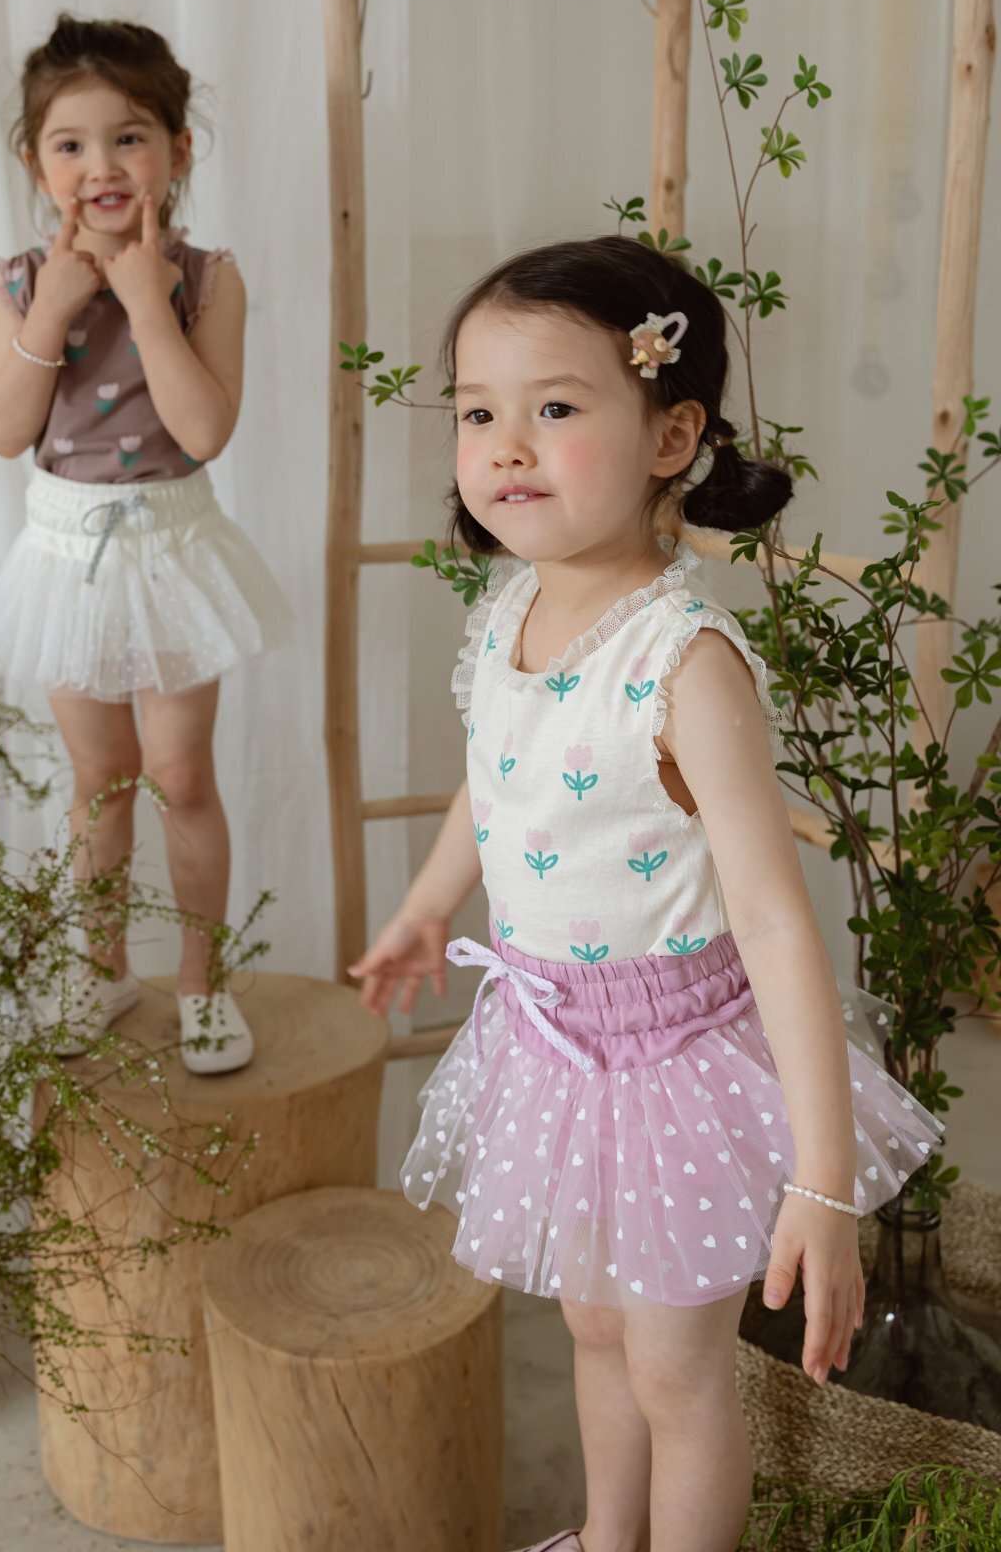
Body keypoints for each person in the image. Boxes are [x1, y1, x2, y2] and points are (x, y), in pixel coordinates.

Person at [349, 236, 943, 1552]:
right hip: (551, 1047)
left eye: (556, 408)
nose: (507, 445)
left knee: (676, 1371)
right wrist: (430, 905)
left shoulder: (683, 662)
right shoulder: (507, 613)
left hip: (674, 1067)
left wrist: (825, 1184)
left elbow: (777, 922)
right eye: (479, 414)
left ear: (671, 435)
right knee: (595, 1329)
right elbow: (495, 784)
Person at [0, 12, 292, 1071]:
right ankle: (100, 969)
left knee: (180, 776)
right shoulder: (22, 280)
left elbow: (203, 432)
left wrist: (147, 305)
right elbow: (4, 430)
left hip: (170, 551)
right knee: (98, 778)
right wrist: (52, 311)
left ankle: (202, 985)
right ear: (37, 164)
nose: (101, 166)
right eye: (71, 144)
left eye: (129, 138)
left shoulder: (206, 278)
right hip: (68, 558)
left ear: (178, 151)